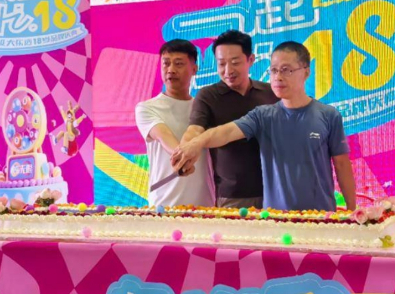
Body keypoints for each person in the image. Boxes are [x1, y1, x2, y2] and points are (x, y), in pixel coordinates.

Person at [173, 42, 356, 212]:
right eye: (274, 70)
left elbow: (342, 165)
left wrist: (352, 211)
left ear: (306, 72)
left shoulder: (329, 115)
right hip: (275, 219)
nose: (278, 77)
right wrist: (196, 143)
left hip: (321, 217)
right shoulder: (263, 116)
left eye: (286, 70)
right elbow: (226, 132)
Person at [180, 30, 277, 209]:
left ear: (250, 60)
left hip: (276, 192)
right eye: (221, 63)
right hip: (233, 195)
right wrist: (185, 152)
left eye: (235, 62)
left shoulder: (271, 93)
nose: (228, 71)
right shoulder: (208, 96)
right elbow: (194, 130)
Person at [136, 40, 214, 208]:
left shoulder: (204, 108)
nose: (171, 69)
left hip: (203, 204)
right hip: (163, 204)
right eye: (166, 63)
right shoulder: (147, 108)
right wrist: (182, 158)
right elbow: (163, 135)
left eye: (178, 64)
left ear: (194, 69)